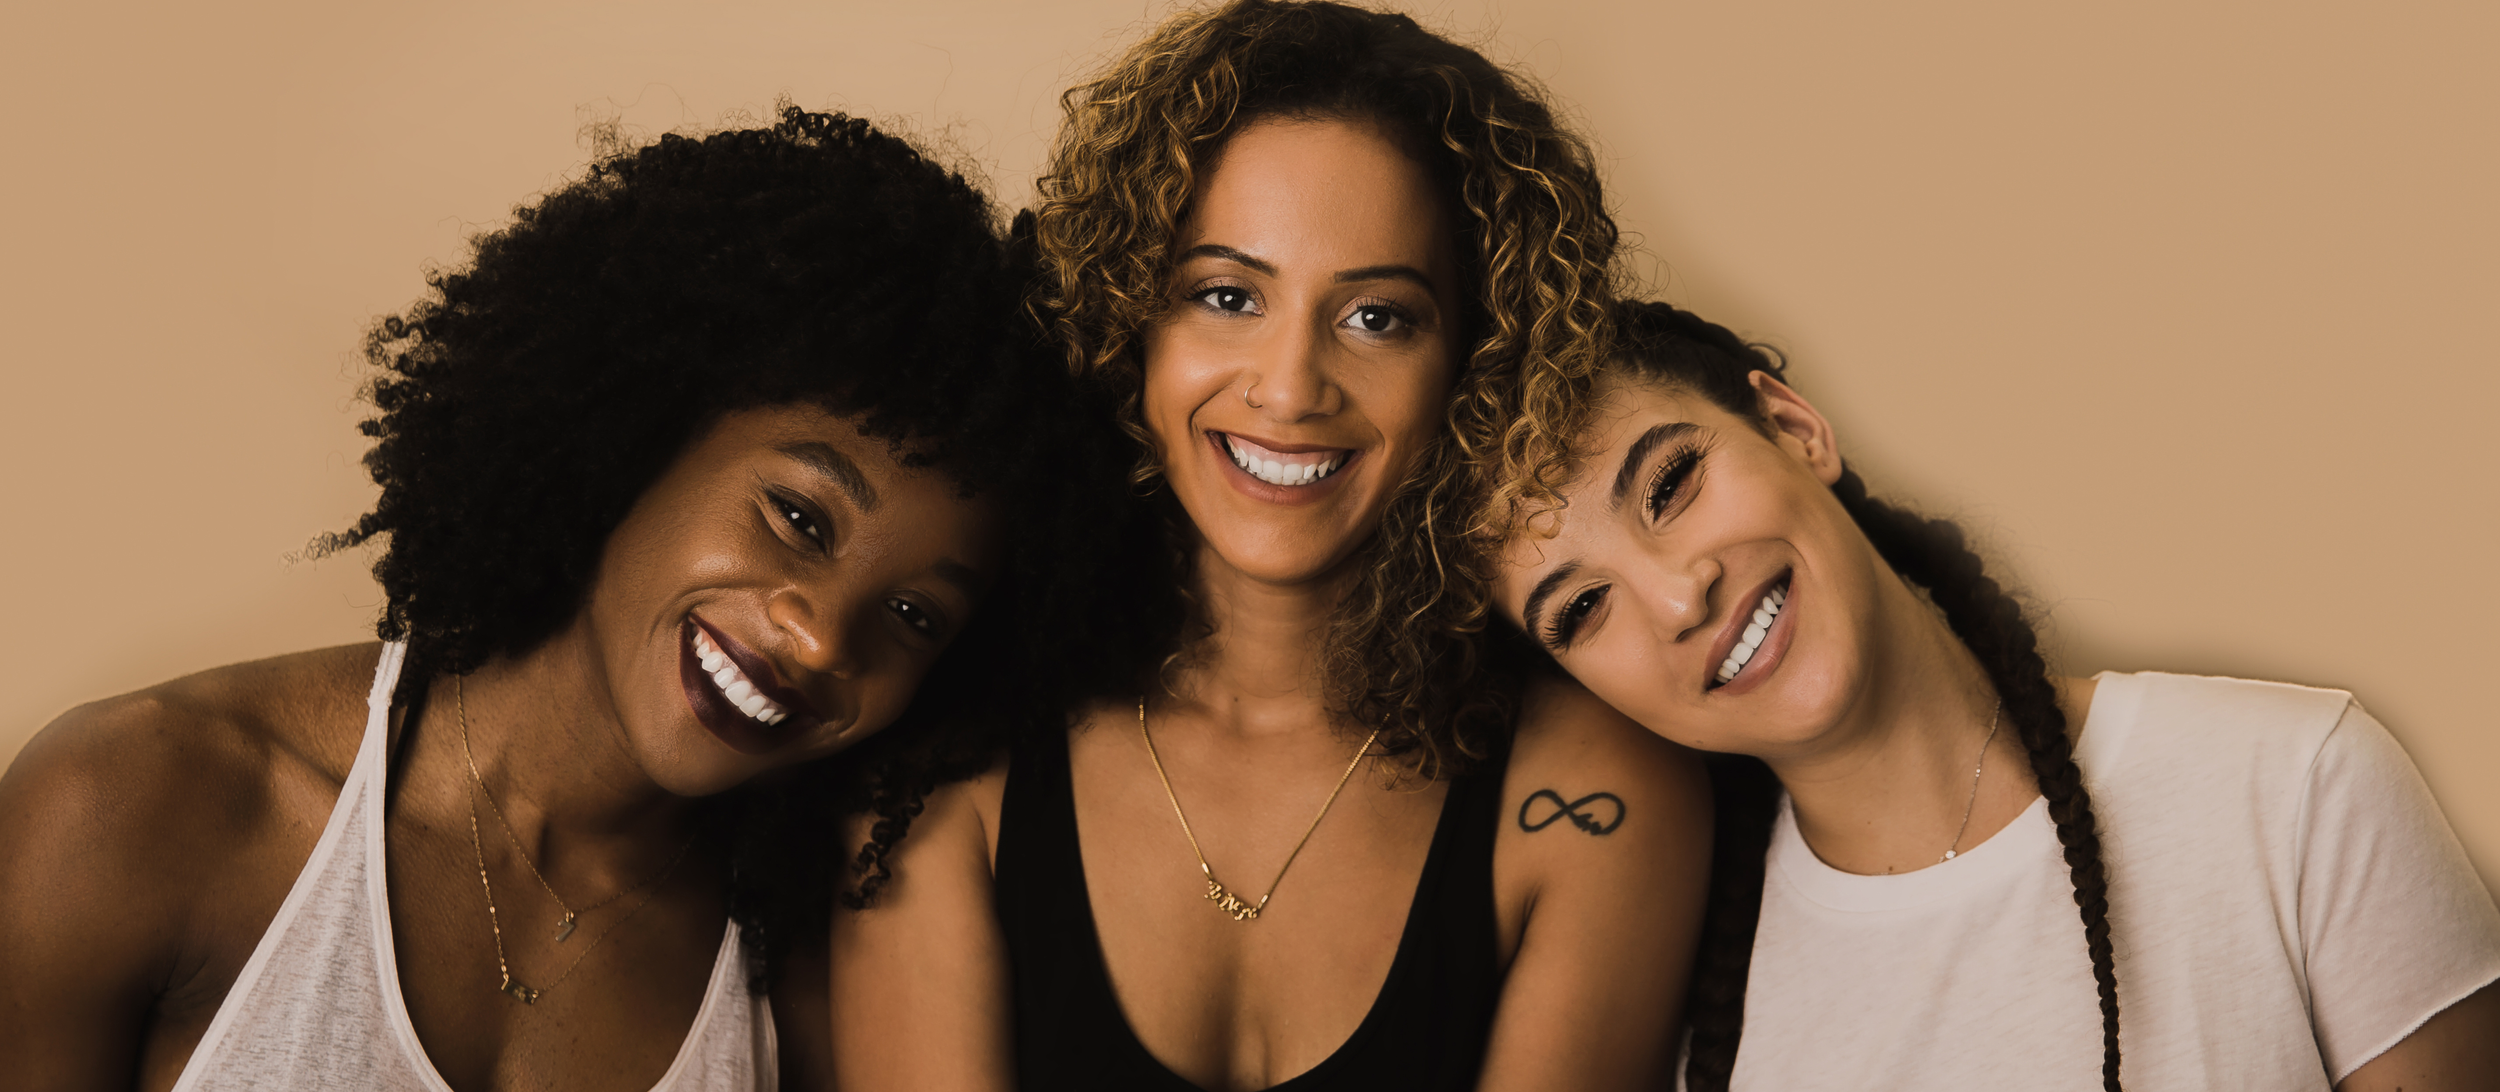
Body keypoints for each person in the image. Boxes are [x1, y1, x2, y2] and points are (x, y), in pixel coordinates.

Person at [0, 106, 1122, 1090]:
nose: (819, 634)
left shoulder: (798, 988)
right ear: (642, 433)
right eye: (798, 517)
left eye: (916, 616)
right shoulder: (139, 805)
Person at [827, 4, 1711, 1091]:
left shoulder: (1592, 789)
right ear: (1130, 327)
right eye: (1226, 296)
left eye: (1378, 317)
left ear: (1473, 372)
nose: (1289, 388)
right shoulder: (945, 774)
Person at [1489, 298, 2500, 1091]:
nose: (1674, 596)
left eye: (1668, 484)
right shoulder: (1688, 1005)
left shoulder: (2290, 785)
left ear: (1794, 429)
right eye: (1580, 610)